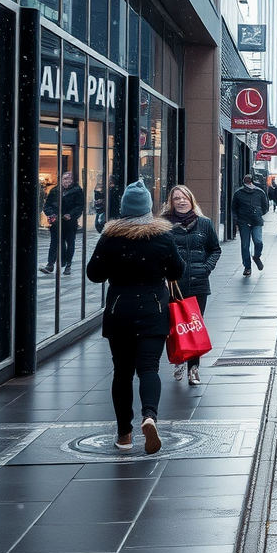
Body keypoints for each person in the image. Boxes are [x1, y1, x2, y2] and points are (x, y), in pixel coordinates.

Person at [87, 179, 183, 454]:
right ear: (148, 208)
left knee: (122, 373)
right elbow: (178, 271)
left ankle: (124, 434)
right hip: (153, 310)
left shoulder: (110, 237)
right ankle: (149, 416)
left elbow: (94, 275)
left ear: (123, 209)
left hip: (120, 313)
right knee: (149, 369)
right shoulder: (163, 237)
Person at [162, 184, 220, 386]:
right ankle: (178, 360)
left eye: (184, 197)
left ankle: (193, 369)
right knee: (174, 325)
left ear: (191, 199)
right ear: (171, 202)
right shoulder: (163, 225)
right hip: (172, 285)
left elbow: (215, 249)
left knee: (194, 325)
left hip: (198, 283)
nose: (181, 201)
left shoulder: (204, 224)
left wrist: (206, 268)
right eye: (176, 198)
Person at [41, 171, 85, 275]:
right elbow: (47, 205)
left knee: (70, 242)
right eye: (64, 179)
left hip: (69, 222)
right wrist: (52, 214)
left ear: (72, 180)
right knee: (54, 242)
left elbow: (79, 206)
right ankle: (50, 264)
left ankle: (68, 264)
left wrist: (71, 215)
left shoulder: (77, 190)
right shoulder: (55, 190)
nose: (66, 181)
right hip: (57, 221)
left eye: (68, 179)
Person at [231, 175, 269, 277]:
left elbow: (265, 207)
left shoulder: (257, 192)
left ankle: (255, 257)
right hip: (247, 220)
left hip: (252, 220)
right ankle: (247, 266)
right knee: (247, 244)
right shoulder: (241, 193)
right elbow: (265, 207)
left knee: (255, 241)